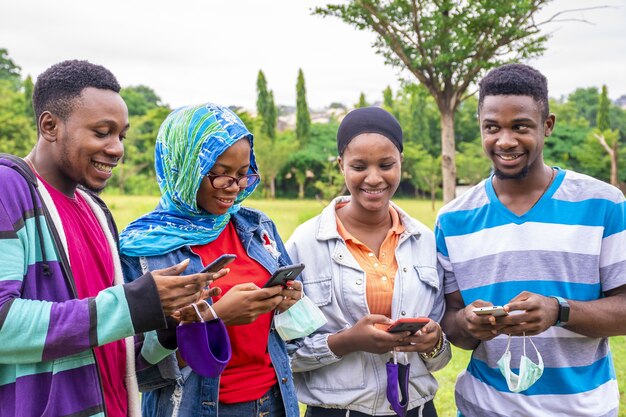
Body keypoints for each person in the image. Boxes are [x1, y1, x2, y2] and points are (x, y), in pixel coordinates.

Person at [0, 60, 216, 417]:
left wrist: (165, 328)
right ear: (50, 126)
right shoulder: (10, 189)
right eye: (102, 132)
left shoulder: (96, 212)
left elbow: (109, 352)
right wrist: (132, 304)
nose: (117, 148)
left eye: (121, 135)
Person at [437, 63, 626, 416]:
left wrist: (559, 311)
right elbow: (451, 324)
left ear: (547, 125)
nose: (505, 141)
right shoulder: (453, 219)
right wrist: (467, 323)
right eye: (492, 127)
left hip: (583, 409)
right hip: (484, 408)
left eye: (520, 126)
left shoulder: (603, 204)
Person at [119, 102, 302, 417]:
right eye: (220, 175)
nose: (234, 188)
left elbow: (291, 335)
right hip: (196, 408)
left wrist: (288, 301)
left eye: (243, 175)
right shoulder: (142, 247)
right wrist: (214, 316)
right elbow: (133, 366)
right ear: (185, 167)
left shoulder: (258, 228)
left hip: (273, 402)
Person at [286, 107, 450, 417]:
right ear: (341, 165)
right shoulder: (304, 244)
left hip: (417, 409)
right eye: (359, 166)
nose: (374, 178)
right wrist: (346, 342)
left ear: (401, 161)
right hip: (336, 411)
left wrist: (434, 341)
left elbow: (440, 358)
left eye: (386, 165)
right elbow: (283, 355)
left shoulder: (425, 241)